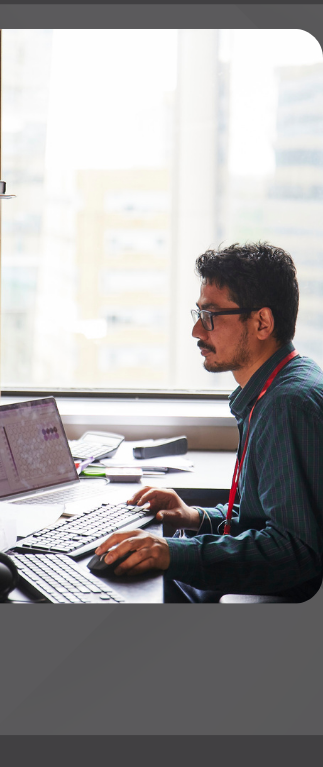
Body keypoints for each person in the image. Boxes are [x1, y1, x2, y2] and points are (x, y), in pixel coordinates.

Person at [95, 242, 323, 602]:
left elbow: (296, 549)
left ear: (262, 322)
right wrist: (195, 517)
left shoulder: (287, 405)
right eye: (198, 315)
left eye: (211, 316)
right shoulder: (273, 387)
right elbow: (262, 513)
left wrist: (173, 552)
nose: (197, 331)